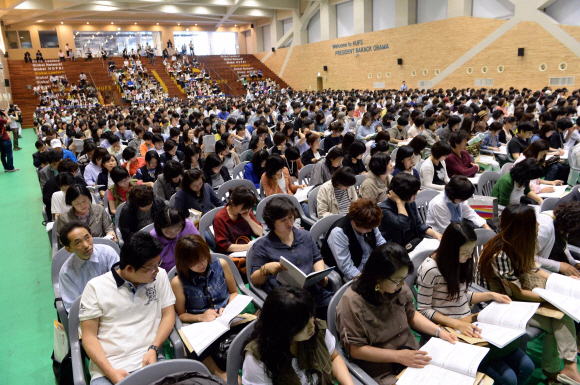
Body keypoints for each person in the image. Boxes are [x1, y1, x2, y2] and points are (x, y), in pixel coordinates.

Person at [417, 222, 534, 385]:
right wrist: (457, 323)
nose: (468, 256)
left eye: (471, 251)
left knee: (527, 367)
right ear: (450, 249)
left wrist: (491, 295)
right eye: (464, 252)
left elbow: (461, 296)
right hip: (451, 332)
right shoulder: (430, 269)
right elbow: (423, 310)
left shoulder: (460, 263)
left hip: (470, 325)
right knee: (508, 378)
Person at [477, 204, 580, 384]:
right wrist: (553, 298)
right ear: (523, 228)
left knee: (560, 316)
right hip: (501, 302)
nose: (539, 226)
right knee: (560, 318)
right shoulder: (501, 253)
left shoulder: (520, 243)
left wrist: (560, 283)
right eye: (534, 224)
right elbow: (517, 293)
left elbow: (533, 268)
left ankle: (561, 370)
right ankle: (559, 370)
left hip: (516, 295)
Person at [335, 243, 458, 385]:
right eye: (397, 281)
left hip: (412, 354)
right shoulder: (351, 303)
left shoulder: (396, 285)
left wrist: (439, 332)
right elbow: (356, 350)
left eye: (403, 279)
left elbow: (411, 314)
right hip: (382, 370)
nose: (401, 284)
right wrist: (398, 356)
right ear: (378, 277)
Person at [79, 232, 176, 385]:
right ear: (129, 269)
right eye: (151, 268)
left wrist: (154, 348)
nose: (157, 270)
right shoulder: (95, 287)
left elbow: (168, 315)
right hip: (109, 367)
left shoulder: (160, 276)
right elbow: (88, 337)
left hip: (149, 358)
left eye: (158, 263)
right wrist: (111, 373)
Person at [172, 234, 248, 380]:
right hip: (202, 327)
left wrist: (228, 308)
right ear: (184, 262)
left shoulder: (221, 264)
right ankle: (221, 373)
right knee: (227, 375)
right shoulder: (178, 282)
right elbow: (181, 315)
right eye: (193, 263)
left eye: (202, 258)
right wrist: (200, 316)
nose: (201, 264)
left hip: (227, 318)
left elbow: (233, 292)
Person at [242, 285, 353, 385]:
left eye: (311, 316)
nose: (312, 325)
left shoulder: (316, 329)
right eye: (303, 325)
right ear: (284, 329)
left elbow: (333, 357)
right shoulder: (257, 359)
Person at [251, 196, 334, 317]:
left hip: (313, 293)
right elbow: (255, 280)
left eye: (290, 217)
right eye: (283, 220)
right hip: (287, 302)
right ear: (272, 222)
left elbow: (317, 258)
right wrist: (266, 269)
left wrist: (321, 276)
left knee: (339, 308)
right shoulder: (262, 245)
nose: (289, 223)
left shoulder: (305, 235)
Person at [58, 221, 119, 312]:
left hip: (115, 304)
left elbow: (121, 284)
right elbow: (72, 307)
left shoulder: (108, 253)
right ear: (68, 249)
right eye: (78, 243)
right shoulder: (66, 273)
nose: (86, 245)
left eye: (87, 238)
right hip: (90, 314)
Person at [321, 199, 386, 280]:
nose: (370, 230)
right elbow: (347, 268)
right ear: (355, 222)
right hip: (352, 271)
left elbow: (381, 242)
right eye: (367, 228)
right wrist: (366, 282)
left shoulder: (369, 222)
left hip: (368, 264)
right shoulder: (339, 233)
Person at [378, 173, 442, 247]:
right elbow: (403, 225)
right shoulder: (384, 208)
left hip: (415, 242)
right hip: (397, 248)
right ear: (404, 194)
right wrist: (399, 202)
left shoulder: (409, 203)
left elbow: (419, 224)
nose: (416, 195)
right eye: (413, 193)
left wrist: (434, 233)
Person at [426, 175, 491, 234]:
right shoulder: (438, 204)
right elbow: (446, 230)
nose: (464, 201)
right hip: (440, 234)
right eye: (463, 199)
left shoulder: (458, 198)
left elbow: (470, 213)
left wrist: (486, 227)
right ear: (455, 196)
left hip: (456, 227)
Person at [213, 186, 262, 255]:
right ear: (232, 203)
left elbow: (259, 232)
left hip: (246, 248)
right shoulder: (220, 218)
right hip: (231, 254)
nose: (248, 210)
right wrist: (248, 247)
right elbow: (224, 246)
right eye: (244, 207)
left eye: (249, 207)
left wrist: (248, 219)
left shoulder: (245, 211)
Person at [536, 201, 580, 276]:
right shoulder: (544, 226)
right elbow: (528, 259)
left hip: (558, 266)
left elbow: (563, 247)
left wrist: (574, 264)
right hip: (544, 271)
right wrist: (559, 266)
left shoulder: (561, 222)